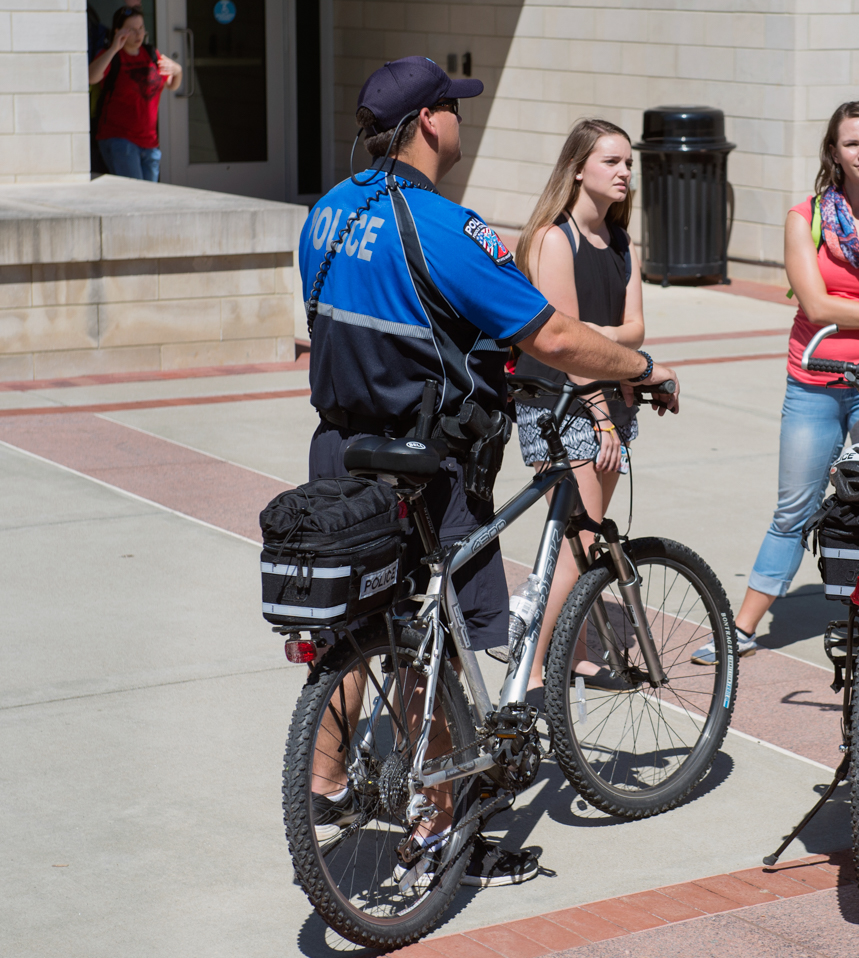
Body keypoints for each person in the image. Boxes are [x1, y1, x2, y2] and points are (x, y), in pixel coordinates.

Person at [297, 56, 678, 887]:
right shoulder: (444, 225)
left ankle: (325, 789)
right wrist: (638, 366)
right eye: (454, 109)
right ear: (430, 123)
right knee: (448, 644)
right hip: (425, 463)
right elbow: (552, 336)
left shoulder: (328, 211)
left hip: (338, 449)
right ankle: (444, 837)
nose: (461, 122)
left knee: (358, 626)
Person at [690, 100, 859, 666]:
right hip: (813, 382)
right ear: (834, 153)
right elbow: (817, 307)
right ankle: (744, 627)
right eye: (851, 143)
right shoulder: (808, 218)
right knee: (793, 510)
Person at [508, 119, 646, 692]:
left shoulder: (619, 242)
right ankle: (534, 670)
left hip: (611, 405)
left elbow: (635, 330)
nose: (624, 172)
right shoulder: (550, 238)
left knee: (577, 536)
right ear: (578, 169)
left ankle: (579, 651)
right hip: (562, 406)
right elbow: (562, 346)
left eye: (628, 163)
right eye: (611, 161)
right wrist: (602, 413)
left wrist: (593, 332)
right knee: (579, 539)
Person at [88, 7, 181, 182]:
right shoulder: (111, 56)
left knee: (147, 198)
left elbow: (171, 85)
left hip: (150, 143)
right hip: (119, 140)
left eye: (141, 28)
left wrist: (178, 71)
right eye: (131, 29)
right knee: (135, 195)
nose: (138, 34)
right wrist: (115, 47)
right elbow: (91, 77)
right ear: (118, 31)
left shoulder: (151, 54)